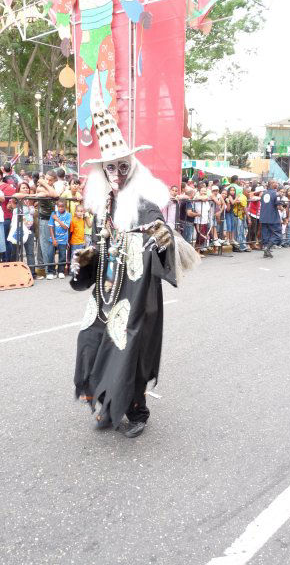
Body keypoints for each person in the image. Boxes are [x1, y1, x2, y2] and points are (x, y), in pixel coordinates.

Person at [69, 102, 198, 439]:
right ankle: (104, 404)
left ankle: (136, 410)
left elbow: (167, 246)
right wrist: (85, 259)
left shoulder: (145, 204)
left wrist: (161, 239)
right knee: (90, 341)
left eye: (122, 167)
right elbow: (96, 250)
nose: (117, 175)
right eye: (110, 168)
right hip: (106, 291)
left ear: (133, 167)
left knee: (127, 351)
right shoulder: (102, 207)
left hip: (137, 296)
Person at [35, 170, 59, 278]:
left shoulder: (51, 187)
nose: (48, 181)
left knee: (50, 246)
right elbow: (54, 194)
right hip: (44, 219)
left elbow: (55, 194)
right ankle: (48, 270)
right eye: (47, 179)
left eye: (50, 180)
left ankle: (50, 269)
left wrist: (47, 186)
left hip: (52, 219)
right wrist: (44, 183)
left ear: (54, 181)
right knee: (46, 246)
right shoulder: (40, 187)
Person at [48, 198, 71, 279]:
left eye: (62, 207)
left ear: (65, 207)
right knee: (50, 255)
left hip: (63, 239)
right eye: (59, 207)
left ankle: (60, 271)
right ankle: (51, 272)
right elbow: (50, 227)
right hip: (53, 239)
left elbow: (65, 227)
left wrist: (57, 219)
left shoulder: (68, 215)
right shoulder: (53, 213)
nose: (60, 208)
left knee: (62, 256)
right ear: (57, 206)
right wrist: (53, 239)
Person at [260, 180, 282, 258]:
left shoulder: (264, 193)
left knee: (266, 235)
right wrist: (283, 208)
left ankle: (266, 251)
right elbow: (279, 206)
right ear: (271, 184)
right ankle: (267, 248)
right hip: (273, 217)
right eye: (275, 183)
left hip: (263, 217)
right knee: (277, 234)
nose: (277, 184)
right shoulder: (276, 194)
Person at [0, 171, 17, 262]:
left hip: (6, 217)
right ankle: (5, 259)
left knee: (6, 240)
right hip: (4, 216)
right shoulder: (8, 187)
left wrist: (10, 203)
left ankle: (7, 260)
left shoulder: (7, 187)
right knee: (6, 240)